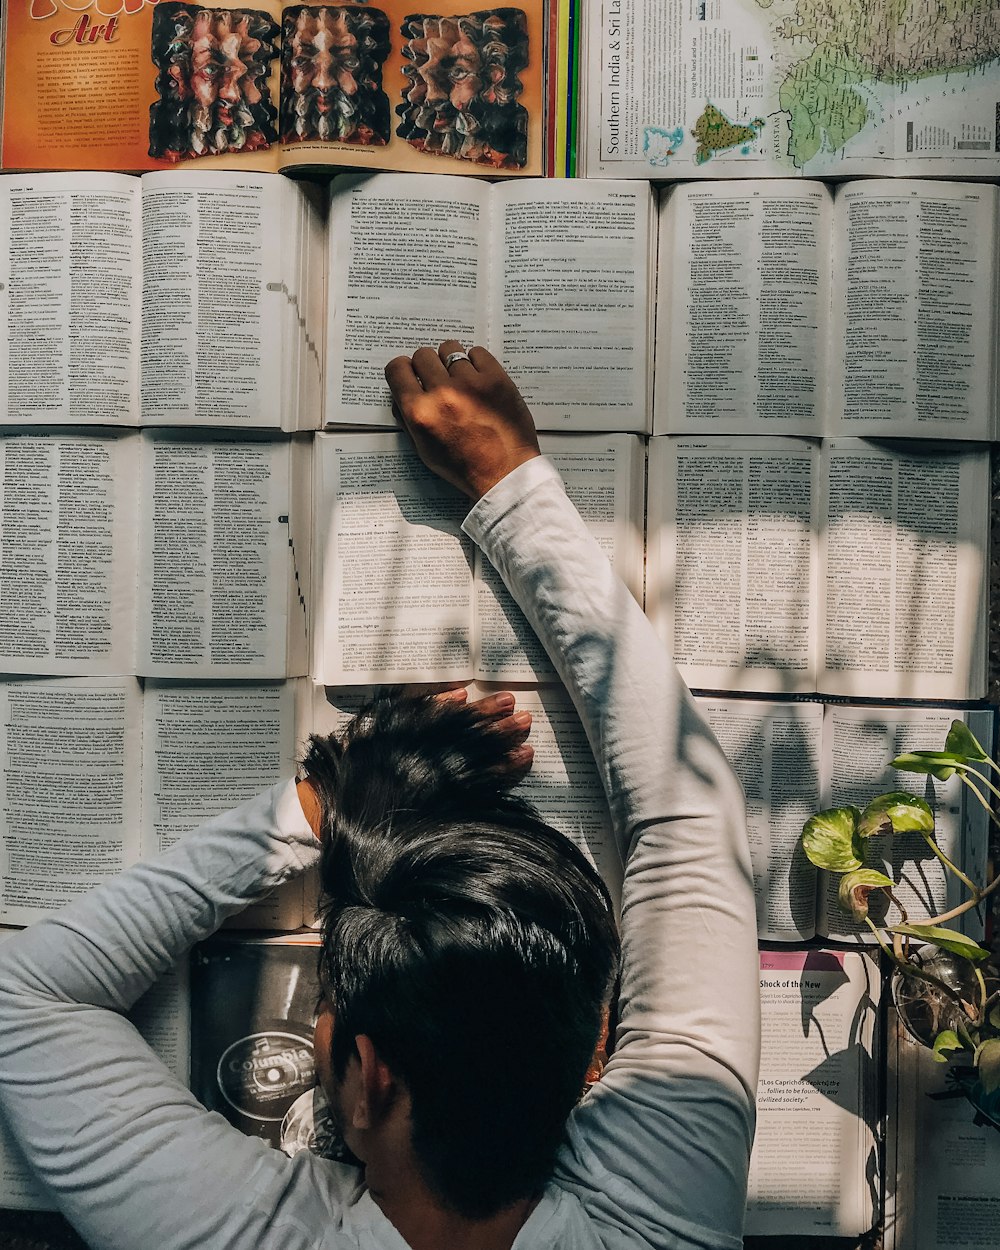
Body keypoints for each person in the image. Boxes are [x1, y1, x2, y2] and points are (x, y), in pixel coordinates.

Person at [0, 342, 760, 1249]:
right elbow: (691, 818)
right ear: (596, 1046)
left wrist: (329, 802)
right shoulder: (660, 1225)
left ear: (366, 1080)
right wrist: (509, 489)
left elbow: (28, 997)